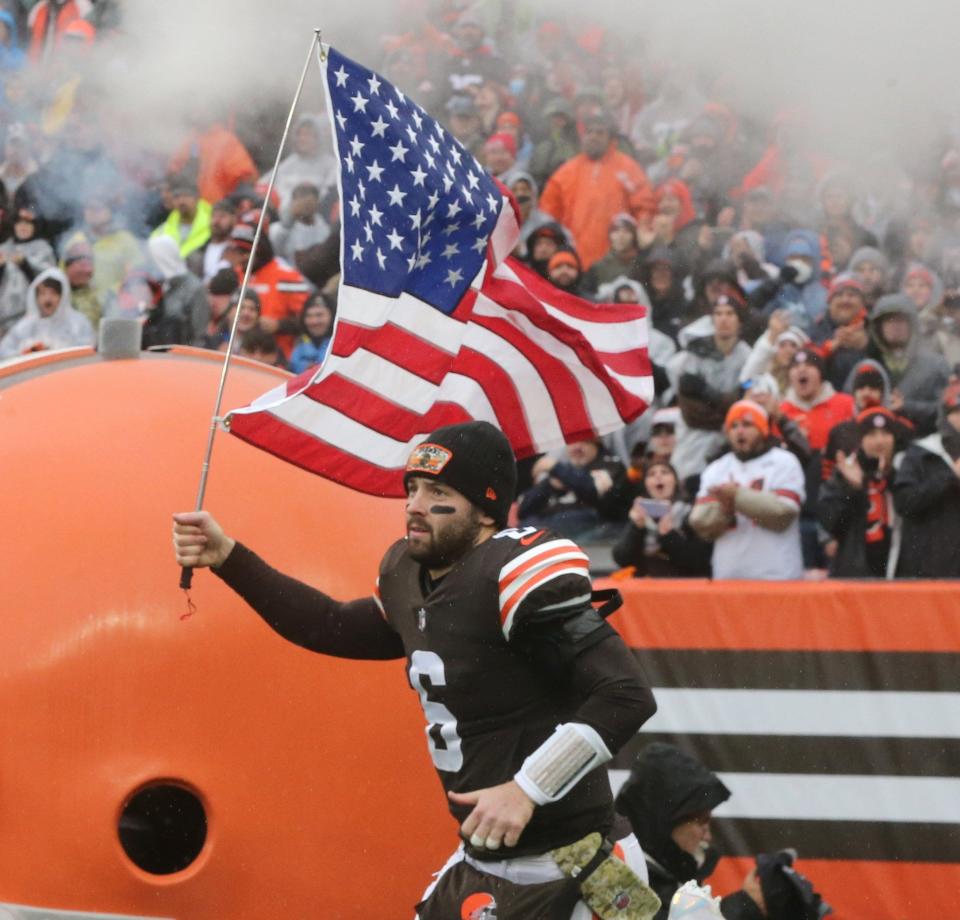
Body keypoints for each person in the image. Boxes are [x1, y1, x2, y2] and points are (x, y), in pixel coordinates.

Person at [173, 421, 658, 919]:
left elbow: (627, 693)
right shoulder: (408, 575)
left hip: (575, 866)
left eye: (438, 491)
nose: (414, 504)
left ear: (486, 509)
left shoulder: (514, 574)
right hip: (482, 863)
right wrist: (228, 558)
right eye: (413, 488)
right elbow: (330, 625)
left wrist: (527, 787)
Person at [614, 743, 765, 920]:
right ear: (665, 819)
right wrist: (744, 907)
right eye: (702, 821)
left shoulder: (671, 872)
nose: (707, 836)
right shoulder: (617, 874)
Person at [689, 401, 805, 580]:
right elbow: (700, 521)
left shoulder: (784, 462)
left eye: (747, 424)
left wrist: (736, 496)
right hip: (728, 575)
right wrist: (725, 510)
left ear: (763, 430)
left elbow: (783, 513)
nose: (739, 431)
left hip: (777, 575)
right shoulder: (717, 468)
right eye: (734, 426)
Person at [540, 111, 655, 270]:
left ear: (610, 138)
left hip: (616, 262)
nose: (593, 136)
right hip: (573, 262)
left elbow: (644, 208)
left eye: (600, 133)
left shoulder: (628, 169)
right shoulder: (565, 173)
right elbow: (548, 215)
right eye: (589, 132)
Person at [817, 407, 909, 579]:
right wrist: (854, 489)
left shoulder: (904, 472)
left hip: (896, 570)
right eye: (871, 434)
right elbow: (830, 523)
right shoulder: (845, 473)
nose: (879, 441)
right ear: (860, 440)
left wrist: (889, 479)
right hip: (855, 572)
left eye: (885, 433)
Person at [893, 383, 960, 578]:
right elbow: (904, 502)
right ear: (946, 416)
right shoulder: (921, 453)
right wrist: (949, 477)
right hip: (929, 570)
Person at [611, 460, 712, 578]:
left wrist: (669, 535)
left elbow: (699, 562)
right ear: (646, 484)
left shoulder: (690, 513)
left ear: (675, 481)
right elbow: (622, 559)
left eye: (665, 472)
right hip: (647, 587)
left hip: (682, 587)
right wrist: (636, 528)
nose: (658, 476)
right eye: (651, 474)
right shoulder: (639, 515)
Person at [0, 266, 94, 358]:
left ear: (63, 296)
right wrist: (26, 352)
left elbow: (88, 350)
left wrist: (56, 350)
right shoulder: (25, 326)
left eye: (53, 293)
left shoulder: (78, 323)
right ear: (35, 297)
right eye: (43, 293)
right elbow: (4, 351)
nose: (48, 299)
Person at [288, 292, 334, 374]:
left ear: (332, 316)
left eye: (319, 315)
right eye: (309, 316)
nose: (314, 321)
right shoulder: (299, 343)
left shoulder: (340, 344)